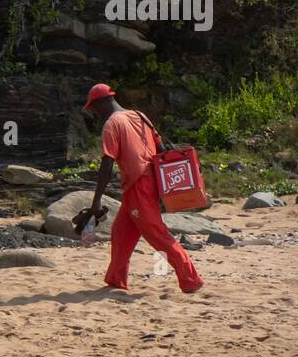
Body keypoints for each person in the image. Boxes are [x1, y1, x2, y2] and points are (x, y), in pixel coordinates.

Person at [76, 83, 204, 294]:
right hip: (145, 183)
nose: (95, 113)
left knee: (157, 234)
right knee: (120, 234)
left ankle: (191, 279)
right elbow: (161, 150)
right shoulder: (139, 116)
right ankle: (116, 280)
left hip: (139, 186)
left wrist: (96, 200)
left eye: (94, 108)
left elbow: (107, 163)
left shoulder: (111, 124)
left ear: (100, 103)